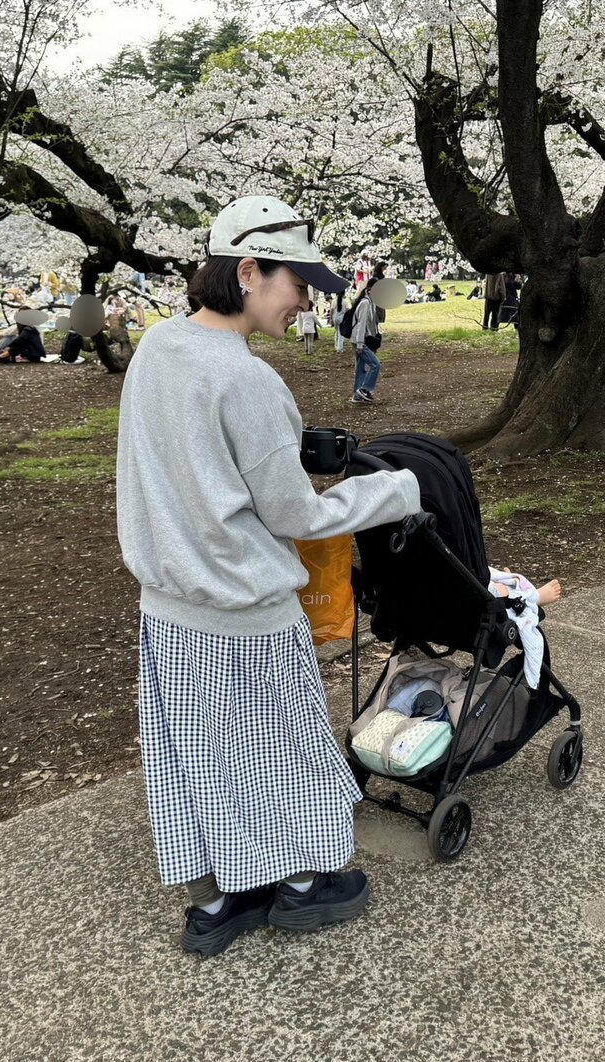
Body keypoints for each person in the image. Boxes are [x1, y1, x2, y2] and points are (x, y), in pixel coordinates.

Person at [116, 194, 421, 957]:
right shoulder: (247, 379)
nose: (307, 299)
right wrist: (402, 485)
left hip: (167, 609)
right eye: (297, 282)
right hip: (247, 613)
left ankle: (219, 899)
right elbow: (298, 515)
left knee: (198, 753)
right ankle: (302, 886)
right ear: (248, 271)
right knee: (284, 750)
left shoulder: (157, 347)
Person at [349, 277, 381, 405]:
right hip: (359, 339)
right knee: (375, 364)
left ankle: (357, 395)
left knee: (361, 368)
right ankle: (365, 389)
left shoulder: (370, 303)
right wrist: (360, 343)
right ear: (369, 289)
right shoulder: (365, 303)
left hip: (359, 339)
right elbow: (361, 324)